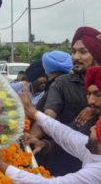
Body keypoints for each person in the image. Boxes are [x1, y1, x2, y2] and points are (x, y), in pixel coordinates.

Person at [0, 81, 101, 184]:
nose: (90, 129)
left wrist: (1, 165)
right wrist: (34, 112)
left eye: (96, 129)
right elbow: (65, 134)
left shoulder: (97, 172)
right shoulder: (93, 149)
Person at [29, 26, 101, 176]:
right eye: (73, 52)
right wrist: (31, 140)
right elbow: (48, 116)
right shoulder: (62, 83)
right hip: (63, 160)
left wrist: (95, 109)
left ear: (96, 53)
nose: (75, 57)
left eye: (83, 52)